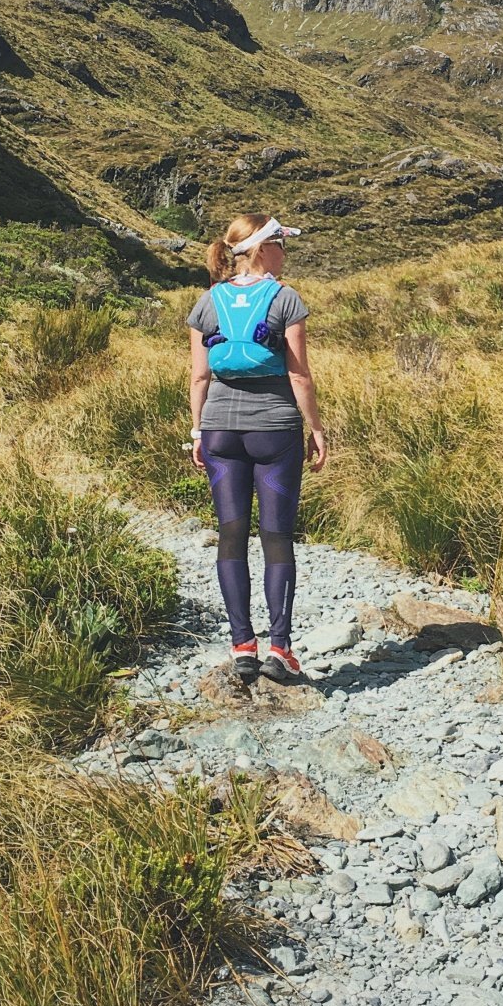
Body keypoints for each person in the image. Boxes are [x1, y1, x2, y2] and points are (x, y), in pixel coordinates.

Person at [187, 213, 328, 682]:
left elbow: (199, 376)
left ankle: (241, 646)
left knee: (231, 535)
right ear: (263, 248)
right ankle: (280, 649)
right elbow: (298, 374)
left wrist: (197, 433)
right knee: (276, 537)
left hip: (219, 433)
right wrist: (316, 428)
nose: (286, 254)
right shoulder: (285, 299)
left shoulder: (207, 301)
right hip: (275, 430)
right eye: (281, 245)